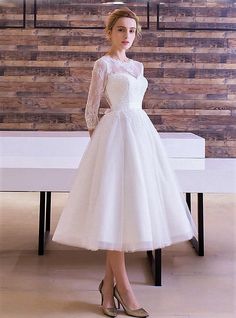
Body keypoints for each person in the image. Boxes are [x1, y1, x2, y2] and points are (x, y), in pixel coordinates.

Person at [52, 7, 196, 318]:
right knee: (113, 210)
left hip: (141, 138)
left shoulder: (138, 66)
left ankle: (107, 288)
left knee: (126, 211)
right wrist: (101, 148)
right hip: (113, 139)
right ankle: (124, 288)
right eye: (121, 30)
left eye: (131, 31)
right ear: (110, 33)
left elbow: (137, 105)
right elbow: (91, 111)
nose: (127, 36)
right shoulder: (102, 64)